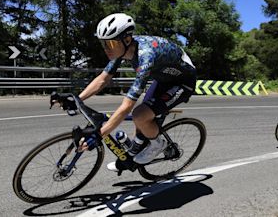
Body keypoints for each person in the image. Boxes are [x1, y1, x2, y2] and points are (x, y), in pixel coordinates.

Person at [78, 13, 197, 171]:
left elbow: (127, 105)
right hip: (163, 79)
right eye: (104, 44)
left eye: (111, 44)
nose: (107, 49)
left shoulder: (145, 56)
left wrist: (100, 135)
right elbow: (103, 79)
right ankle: (136, 148)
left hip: (183, 82)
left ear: (127, 40)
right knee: (141, 117)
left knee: (139, 115)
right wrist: (77, 99)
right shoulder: (123, 49)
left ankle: (159, 144)